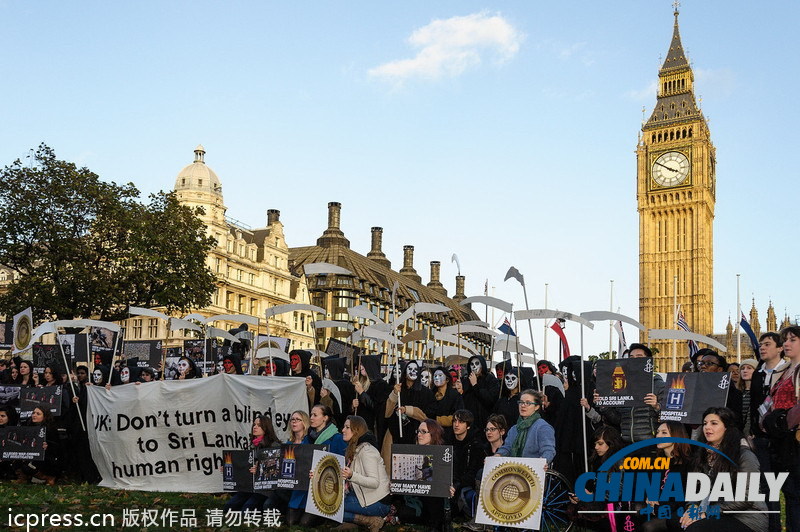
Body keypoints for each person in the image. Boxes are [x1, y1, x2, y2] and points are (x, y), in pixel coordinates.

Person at [681, 407, 766, 531]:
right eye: (705, 423)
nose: (707, 427)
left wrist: (706, 513)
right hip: (715, 511)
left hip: (746, 518)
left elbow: (746, 498)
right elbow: (696, 489)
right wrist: (692, 507)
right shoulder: (703, 453)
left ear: (727, 428)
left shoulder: (744, 456)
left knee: (695, 528)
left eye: (714, 423)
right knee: (675, 522)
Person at [763, 326, 800, 531]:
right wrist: (767, 420)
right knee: (790, 493)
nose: (786, 343)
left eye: (792, 340)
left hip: (795, 439)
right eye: (785, 340)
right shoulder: (784, 371)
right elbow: (770, 401)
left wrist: (782, 420)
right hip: (781, 441)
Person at [592, 344, 665, 445]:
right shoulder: (621, 385)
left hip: (651, 444)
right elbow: (618, 419)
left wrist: (657, 406)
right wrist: (604, 405)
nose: (634, 360)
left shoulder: (658, 385)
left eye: (639, 357)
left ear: (648, 360)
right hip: (627, 444)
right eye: (631, 358)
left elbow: (672, 417)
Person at [287, 404, 346, 527]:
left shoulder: (337, 438)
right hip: (303, 487)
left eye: (315, 415)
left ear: (325, 418)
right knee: (290, 522)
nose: (311, 418)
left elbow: (342, 465)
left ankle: (327, 518)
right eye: (311, 415)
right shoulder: (308, 438)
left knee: (305, 523)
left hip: (323, 490)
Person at [334, 415, 390, 532]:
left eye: (347, 427)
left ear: (356, 430)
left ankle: (370, 521)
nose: (343, 430)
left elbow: (374, 482)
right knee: (328, 504)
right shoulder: (355, 448)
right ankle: (358, 521)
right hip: (363, 496)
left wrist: (352, 475)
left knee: (331, 507)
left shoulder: (367, 451)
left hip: (378, 502)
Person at [641, 421, 692, 532]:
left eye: (664, 433)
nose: (658, 436)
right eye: (657, 432)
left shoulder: (687, 463)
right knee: (635, 509)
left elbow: (682, 497)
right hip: (659, 505)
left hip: (676, 510)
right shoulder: (657, 461)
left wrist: (658, 508)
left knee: (649, 527)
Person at [223, 415, 281, 511]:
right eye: (254, 424)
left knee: (246, 509)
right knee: (228, 507)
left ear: (266, 428)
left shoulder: (274, 446)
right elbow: (245, 466)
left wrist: (260, 470)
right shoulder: (252, 446)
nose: (255, 427)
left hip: (266, 489)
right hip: (251, 487)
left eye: (259, 425)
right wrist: (229, 468)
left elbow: (276, 470)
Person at [496, 389, 556, 465]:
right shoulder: (514, 429)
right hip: (513, 469)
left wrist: (543, 462)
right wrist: (497, 456)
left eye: (528, 403)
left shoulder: (543, 427)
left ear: (537, 407)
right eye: (521, 402)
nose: (523, 405)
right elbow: (507, 448)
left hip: (533, 469)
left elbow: (548, 450)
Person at [696, 349, 744, 430]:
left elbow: (736, 421)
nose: (703, 366)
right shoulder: (693, 390)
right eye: (701, 363)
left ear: (719, 369)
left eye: (709, 363)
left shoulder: (731, 393)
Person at [15, 406, 60, 485]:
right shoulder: (27, 426)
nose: (34, 415)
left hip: (46, 459)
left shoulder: (51, 429)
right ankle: (24, 477)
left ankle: (47, 477)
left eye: (38, 414)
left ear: (45, 416)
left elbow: (58, 448)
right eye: (33, 413)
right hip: (31, 455)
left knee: (28, 466)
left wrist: (48, 446)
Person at [461, 355, 500, 431]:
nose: (474, 367)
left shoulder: (490, 380)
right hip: (469, 421)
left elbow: (490, 400)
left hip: (484, 421)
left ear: (482, 365)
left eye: (477, 363)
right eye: (472, 364)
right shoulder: (466, 380)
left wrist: (475, 385)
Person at [737, 358, 758, 437]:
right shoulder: (737, 393)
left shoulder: (759, 393)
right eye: (742, 368)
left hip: (752, 434)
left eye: (749, 368)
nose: (745, 371)